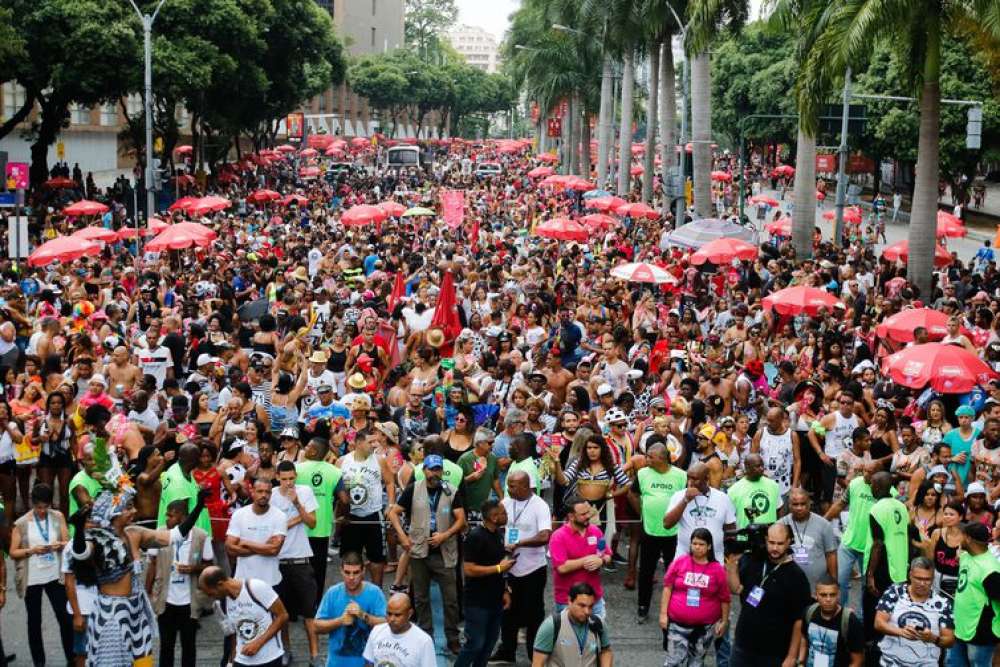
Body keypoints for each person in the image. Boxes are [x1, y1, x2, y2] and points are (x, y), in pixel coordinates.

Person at [387, 453, 467, 655]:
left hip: (444, 552)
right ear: (424, 471)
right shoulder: (413, 489)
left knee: (451, 599)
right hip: (419, 552)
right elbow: (393, 512)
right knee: (421, 598)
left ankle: (452, 638)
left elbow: (461, 520)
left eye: (437, 469)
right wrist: (403, 537)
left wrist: (445, 535)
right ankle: (425, 636)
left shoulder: (451, 490)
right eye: (431, 469)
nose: (434, 473)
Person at [725, 523, 813, 667]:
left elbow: (799, 621)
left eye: (780, 543)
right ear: (765, 539)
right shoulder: (752, 560)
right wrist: (731, 568)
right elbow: (736, 589)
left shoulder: (797, 576)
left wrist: (791, 657)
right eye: (771, 542)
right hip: (743, 645)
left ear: (789, 541)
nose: (775, 548)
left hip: (774, 652)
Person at [9, 482, 73, 667]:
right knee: (34, 622)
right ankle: (39, 662)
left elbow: (66, 541)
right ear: (32, 504)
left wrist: (59, 545)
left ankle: (72, 659)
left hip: (54, 575)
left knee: (65, 618)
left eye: (46, 507)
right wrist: (32, 550)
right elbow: (13, 552)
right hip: (32, 578)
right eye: (39, 507)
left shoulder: (58, 516)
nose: (43, 511)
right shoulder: (21, 523)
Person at [493, 469, 553, 665]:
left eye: (512, 486)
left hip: (533, 569)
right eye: (508, 485)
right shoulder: (505, 503)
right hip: (509, 568)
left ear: (526, 486)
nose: (508, 489)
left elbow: (545, 536)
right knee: (508, 610)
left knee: (533, 613)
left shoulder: (540, 506)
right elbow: (497, 526)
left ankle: (533, 653)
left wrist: (519, 543)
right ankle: (507, 650)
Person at [148, 498, 213, 667]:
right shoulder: (160, 534)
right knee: (166, 647)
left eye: (171, 516)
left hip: (190, 602)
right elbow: (152, 564)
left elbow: (209, 566)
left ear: (183, 518)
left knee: (189, 647)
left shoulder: (201, 536)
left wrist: (193, 569)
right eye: (166, 515)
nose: (166, 519)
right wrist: (148, 593)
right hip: (165, 600)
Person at [270, 460, 320, 666]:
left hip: (301, 559)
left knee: (309, 612)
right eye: (284, 479)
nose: (288, 483)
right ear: (277, 478)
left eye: (291, 478)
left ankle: (315, 655)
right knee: (281, 613)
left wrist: (297, 503)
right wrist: (289, 522)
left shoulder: (305, 491)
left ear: (296, 476)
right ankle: (285, 651)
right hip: (277, 561)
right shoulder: (270, 495)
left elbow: (312, 522)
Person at [456, 499, 516, 667]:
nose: (507, 515)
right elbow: (469, 569)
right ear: (494, 517)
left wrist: (505, 590)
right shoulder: (475, 537)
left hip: (495, 599)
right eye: (503, 512)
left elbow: (498, 563)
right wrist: (498, 568)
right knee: (475, 644)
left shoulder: (498, 534)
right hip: (477, 602)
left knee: (489, 645)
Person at [631, 441, 687, 623]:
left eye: (650, 456)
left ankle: (675, 606)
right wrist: (644, 513)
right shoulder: (642, 474)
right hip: (650, 531)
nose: (646, 459)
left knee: (675, 572)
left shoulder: (681, 476)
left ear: (662, 459)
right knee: (646, 571)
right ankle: (642, 606)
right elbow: (632, 494)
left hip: (674, 532)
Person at [659, 527, 730, 666]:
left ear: (709, 546)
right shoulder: (680, 562)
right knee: (673, 662)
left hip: (704, 629)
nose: (697, 547)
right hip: (677, 625)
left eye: (701, 544)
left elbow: (725, 598)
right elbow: (667, 587)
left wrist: (724, 621)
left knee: (696, 663)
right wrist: (663, 614)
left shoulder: (717, 569)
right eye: (694, 543)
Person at [198, 565, 289, 667]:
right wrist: (231, 661)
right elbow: (234, 633)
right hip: (242, 660)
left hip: (269, 657)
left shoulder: (256, 587)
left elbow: (283, 615)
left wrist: (258, 643)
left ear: (220, 584)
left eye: (211, 594)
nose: (211, 598)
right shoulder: (223, 602)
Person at [338, 429, 396, 587]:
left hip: (374, 515)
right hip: (351, 517)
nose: (375, 445)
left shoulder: (379, 460)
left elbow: (390, 482)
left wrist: (390, 505)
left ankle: (376, 593)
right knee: (350, 558)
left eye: (376, 441)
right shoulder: (342, 461)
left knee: (377, 559)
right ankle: (353, 591)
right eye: (371, 442)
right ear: (358, 443)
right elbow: (336, 488)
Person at [874, 557, 955, 667]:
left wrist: (933, 639)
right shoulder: (895, 592)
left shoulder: (942, 604)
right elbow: (879, 623)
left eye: (927, 580)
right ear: (910, 575)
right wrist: (901, 632)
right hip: (890, 662)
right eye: (918, 578)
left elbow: (949, 640)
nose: (922, 583)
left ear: (933, 578)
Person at [864, 472, 914, 645]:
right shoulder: (901, 506)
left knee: (874, 610)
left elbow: (878, 543)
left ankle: (874, 649)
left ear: (877, 486)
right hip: (899, 566)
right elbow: (907, 536)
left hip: (882, 567)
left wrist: (870, 575)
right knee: (893, 609)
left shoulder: (877, 509)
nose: (870, 487)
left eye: (871, 484)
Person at [295, 437, 348, 601]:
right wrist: (342, 516)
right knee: (317, 570)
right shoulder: (334, 472)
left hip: (298, 528)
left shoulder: (297, 469)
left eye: (308, 446)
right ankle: (315, 603)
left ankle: (297, 606)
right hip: (321, 529)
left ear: (315, 451)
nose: (305, 449)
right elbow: (345, 500)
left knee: (297, 569)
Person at [313, 551, 388, 667]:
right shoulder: (332, 593)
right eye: (347, 573)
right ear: (341, 571)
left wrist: (364, 615)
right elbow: (316, 626)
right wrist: (340, 621)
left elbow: (387, 624)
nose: (351, 577)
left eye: (356, 572)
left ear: (363, 571)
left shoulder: (375, 593)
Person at [549, 496, 613, 620]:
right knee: (571, 638)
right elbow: (561, 567)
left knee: (595, 637)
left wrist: (602, 560)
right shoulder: (558, 537)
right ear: (571, 516)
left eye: (587, 512)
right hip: (569, 601)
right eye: (583, 514)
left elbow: (608, 554)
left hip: (595, 599)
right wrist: (587, 559)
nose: (587, 516)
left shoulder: (595, 531)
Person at [663, 462, 738, 564]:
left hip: (714, 562)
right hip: (685, 561)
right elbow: (667, 524)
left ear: (706, 479)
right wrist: (685, 500)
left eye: (694, 479)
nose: (690, 483)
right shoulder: (679, 496)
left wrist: (729, 555)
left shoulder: (722, 498)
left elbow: (730, 530)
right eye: (688, 478)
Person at [948, 522, 1000, 667]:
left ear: (968, 538)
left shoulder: (990, 571)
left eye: (962, 536)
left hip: (980, 635)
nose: (959, 539)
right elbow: (962, 556)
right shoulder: (967, 557)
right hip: (960, 629)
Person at [226, 477, 288, 589]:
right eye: (260, 491)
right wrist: (264, 547)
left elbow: (274, 550)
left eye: (267, 492)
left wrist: (245, 543)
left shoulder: (280, 516)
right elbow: (230, 548)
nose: (264, 495)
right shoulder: (239, 514)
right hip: (242, 582)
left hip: (270, 582)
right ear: (252, 492)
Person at [531, 582, 613, 667]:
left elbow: (606, 650)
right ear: (570, 601)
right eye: (582, 605)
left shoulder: (598, 623)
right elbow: (537, 663)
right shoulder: (552, 625)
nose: (587, 611)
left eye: (590, 606)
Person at [779, 487, 838, 592]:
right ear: (789, 505)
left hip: (817, 589)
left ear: (809, 504)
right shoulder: (780, 526)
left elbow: (831, 554)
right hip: (788, 588)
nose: (799, 508)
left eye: (803, 504)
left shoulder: (824, 525)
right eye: (795, 504)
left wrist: (833, 582)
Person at [798, 575, 864, 667]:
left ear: (839, 595)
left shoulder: (850, 621)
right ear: (816, 595)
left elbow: (857, 660)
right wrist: (800, 662)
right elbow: (804, 638)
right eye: (823, 595)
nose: (828, 599)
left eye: (832, 595)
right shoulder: (809, 612)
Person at [362, 592, 438, 667]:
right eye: (389, 614)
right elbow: (369, 663)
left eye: (397, 615)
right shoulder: (377, 631)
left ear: (410, 614)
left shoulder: (424, 641)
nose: (392, 619)